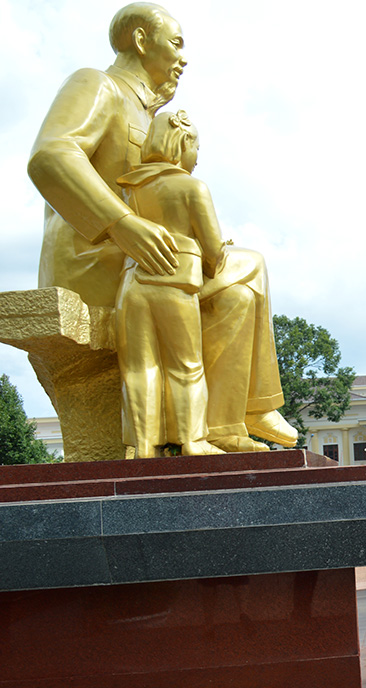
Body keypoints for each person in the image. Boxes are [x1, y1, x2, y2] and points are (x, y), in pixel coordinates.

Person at [27, 3, 296, 454]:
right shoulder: (98, 84)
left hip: (145, 265)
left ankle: (223, 424)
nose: (183, 59)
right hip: (99, 263)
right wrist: (121, 224)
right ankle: (251, 407)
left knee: (237, 285)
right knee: (247, 267)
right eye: (176, 44)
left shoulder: (148, 115)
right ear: (139, 39)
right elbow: (51, 156)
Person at [113, 109, 229, 458]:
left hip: (132, 285)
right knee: (186, 365)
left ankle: (143, 444)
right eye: (196, 147)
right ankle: (193, 441)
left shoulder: (130, 189)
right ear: (181, 144)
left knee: (138, 368)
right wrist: (219, 258)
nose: (197, 156)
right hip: (175, 284)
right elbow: (212, 248)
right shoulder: (193, 187)